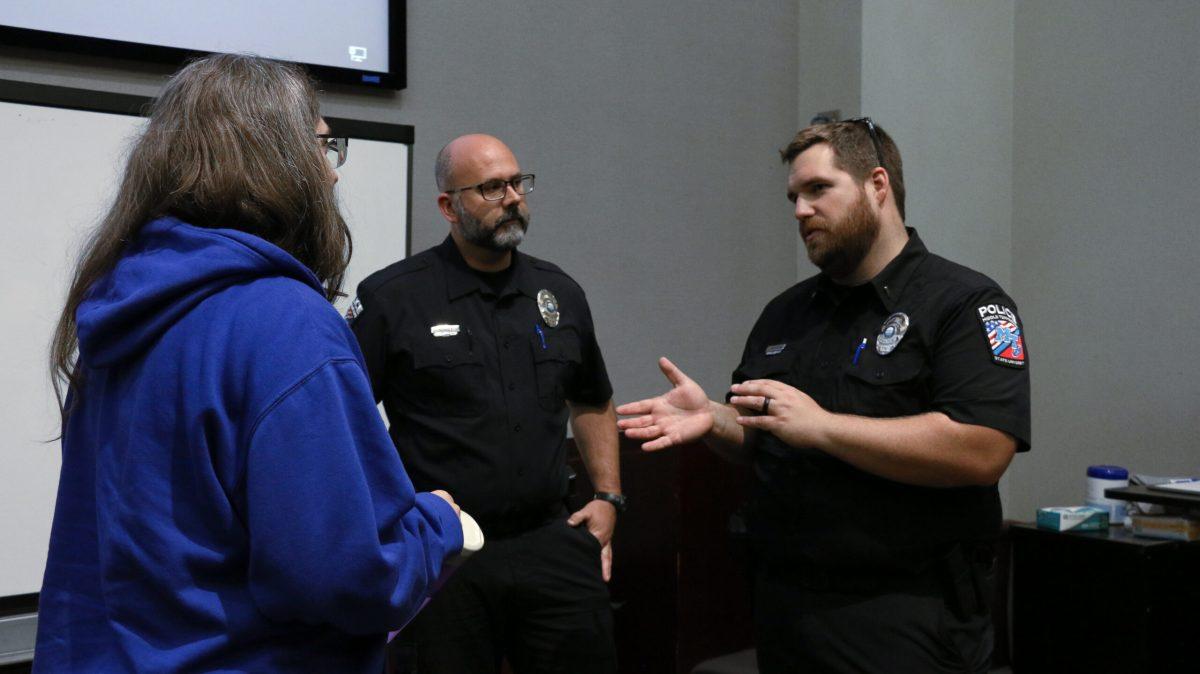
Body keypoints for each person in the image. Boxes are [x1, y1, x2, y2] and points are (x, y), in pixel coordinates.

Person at [36, 54, 464, 673]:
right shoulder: (285, 324)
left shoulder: (117, 306)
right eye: (323, 145)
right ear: (275, 159)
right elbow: (341, 577)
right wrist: (438, 528)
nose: (333, 174)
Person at [618, 119, 1029, 673]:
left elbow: (983, 449)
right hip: (788, 607)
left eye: (817, 189)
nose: (799, 210)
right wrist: (714, 419)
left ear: (877, 185)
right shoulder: (787, 313)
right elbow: (769, 436)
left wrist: (822, 427)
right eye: (793, 196)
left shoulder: (964, 304)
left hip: (908, 615)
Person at [348, 134, 621, 674]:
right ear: (448, 206)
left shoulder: (558, 293)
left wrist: (610, 496)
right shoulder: (393, 298)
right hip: (450, 550)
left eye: (518, 183)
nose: (514, 198)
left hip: (552, 540)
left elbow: (592, 398)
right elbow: (347, 422)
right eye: (492, 188)